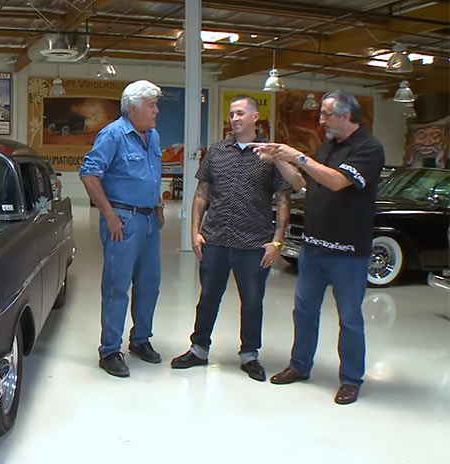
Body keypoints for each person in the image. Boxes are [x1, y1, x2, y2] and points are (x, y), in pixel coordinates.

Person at [250, 90, 385, 405]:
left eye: (326, 115)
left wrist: (297, 155)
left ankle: (351, 379)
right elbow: (303, 183)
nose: (321, 121)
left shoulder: (369, 148)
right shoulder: (328, 146)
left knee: (350, 318)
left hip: (349, 253)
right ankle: (299, 365)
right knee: (304, 311)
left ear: (346, 115)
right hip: (314, 248)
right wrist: (280, 160)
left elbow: (338, 182)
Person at [170, 96, 292, 381]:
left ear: (254, 118)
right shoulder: (216, 152)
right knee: (208, 298)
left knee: (252, 301)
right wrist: (194, 232)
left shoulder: (269, 155)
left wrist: (277, 242)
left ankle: (250, 354)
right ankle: (199, 349)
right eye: (231, 114)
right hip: (215, 240)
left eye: (240, 113)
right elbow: (202, 193)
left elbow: (283, 200)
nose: (234, 118)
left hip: (253, 244)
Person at [79, 80, 165, 377]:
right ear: (133, 108)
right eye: (151, 105)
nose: (156, 111)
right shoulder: (113, 134)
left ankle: (140, 340)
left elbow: (152, 174)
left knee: (150, 284)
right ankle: (109, 350)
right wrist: (109, 214)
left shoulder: (152, 136)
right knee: (117, 287)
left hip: (149, 220)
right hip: (123, 221)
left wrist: (158, 206)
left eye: (156, 105)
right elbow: (89, 174)